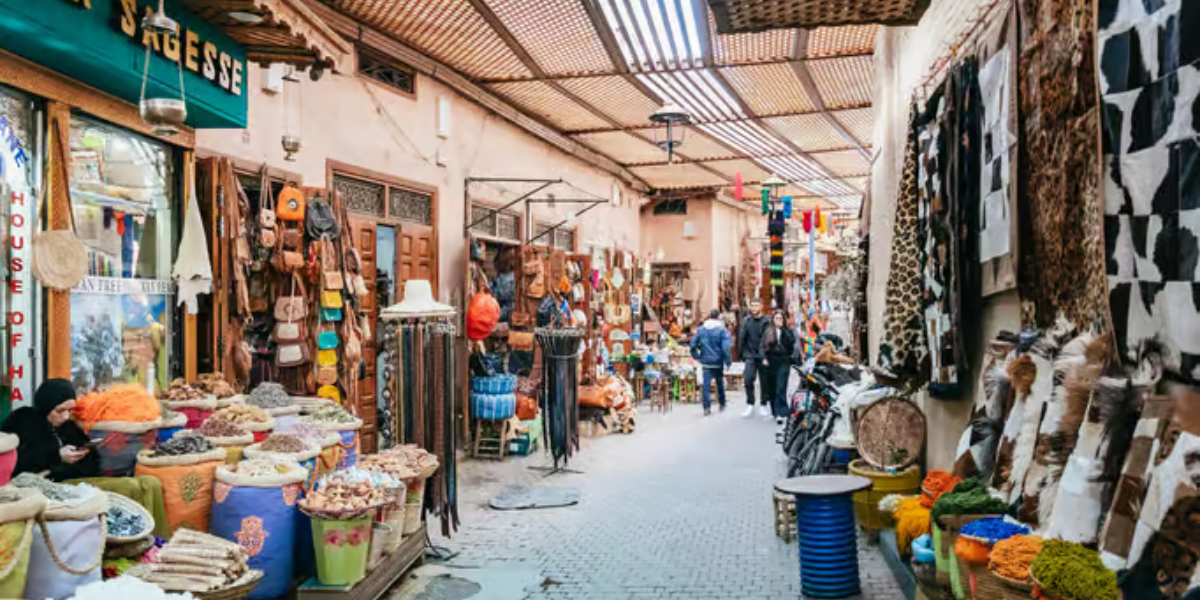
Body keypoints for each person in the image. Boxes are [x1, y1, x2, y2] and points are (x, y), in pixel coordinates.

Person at [0, 379, 98, 481]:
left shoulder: (68, 427)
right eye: (60, 411)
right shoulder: (23, 420)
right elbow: (13, 461)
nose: (66, 416)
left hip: (69, 481)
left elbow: (92, 464)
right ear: (47, 406)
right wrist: (56, 456)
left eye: (70, 410)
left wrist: (81, 453)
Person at [690, 309, 732, 416]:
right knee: (719, 382)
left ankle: (706, 407)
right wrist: (728, 361)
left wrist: (697, 357)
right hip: (718, 361)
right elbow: (726, 348)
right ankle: (722, 403)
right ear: (718, 317)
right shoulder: (722, 330)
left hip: (706, 361)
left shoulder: (701, 329)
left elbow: (693, 344)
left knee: (706, 385)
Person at [760, 310, 797, 423]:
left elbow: (792, 344)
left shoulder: (788, 331)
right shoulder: (768, 331)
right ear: (773, 319)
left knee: (781, 386)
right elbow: (762, 347)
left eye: (781, 318)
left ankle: (781, 412)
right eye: (776, 318)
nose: (778, 320)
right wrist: (764, 358)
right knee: (772, 387)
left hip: (784, 361)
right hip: (771, 362)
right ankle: (775, 411)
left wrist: (784, 330)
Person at [737, 298, 771, 417]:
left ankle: (763, 404)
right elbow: (742, 337)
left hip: (763, 355)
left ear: (761, 306)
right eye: (752, 306)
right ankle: (750, 403)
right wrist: (741, 353)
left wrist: (766, 355)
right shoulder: (747, 321)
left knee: (764, 381)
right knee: (748, 378)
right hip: (750, 355)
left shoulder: (767, 321)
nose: (754, 308)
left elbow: (767, 339)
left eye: (756, 305)